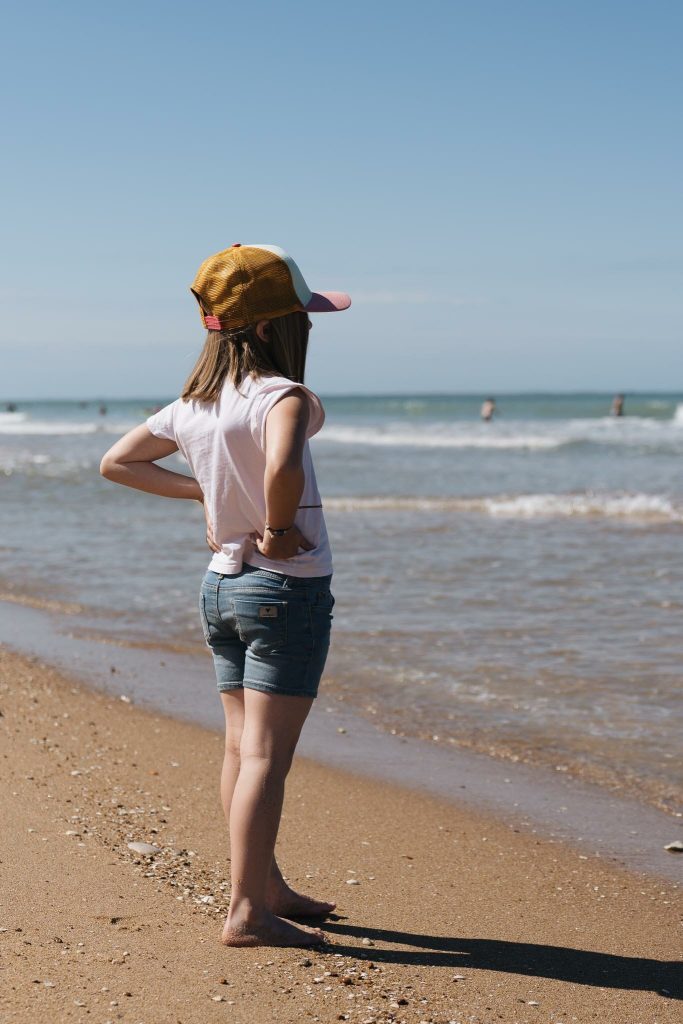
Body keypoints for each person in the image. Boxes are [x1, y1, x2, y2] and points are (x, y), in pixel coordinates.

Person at [100, 243, 351, 948]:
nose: (310, 327)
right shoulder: (286, 398)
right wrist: (275, 529)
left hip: (221, 589)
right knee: (267, 756)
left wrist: (205, 491)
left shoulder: (192, 404)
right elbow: (280, 465)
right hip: (282, 590)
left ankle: (263, 885)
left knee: (241, 748)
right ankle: (246, 911)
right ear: (273, 328)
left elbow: (117, 463)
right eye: (303, 316)